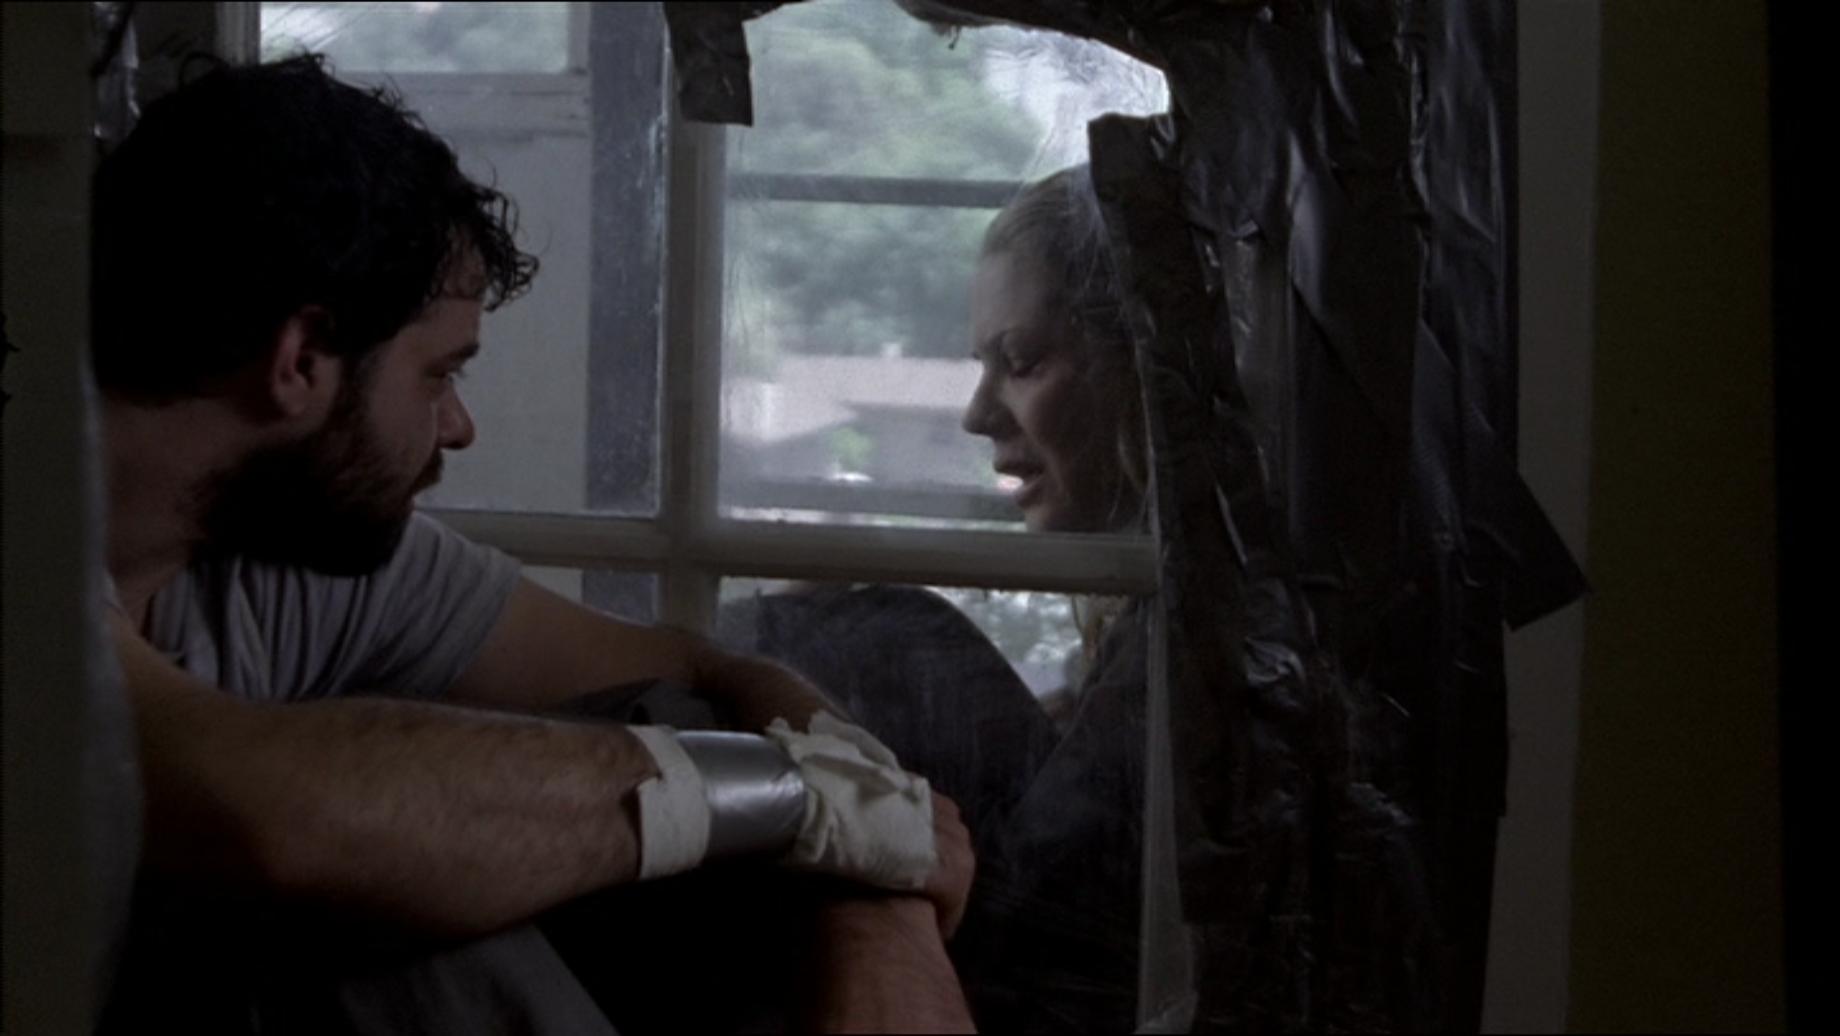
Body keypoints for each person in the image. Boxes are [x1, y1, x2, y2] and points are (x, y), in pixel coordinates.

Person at [91, 54, 976, 1035]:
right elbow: (267, 814)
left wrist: (874, 896)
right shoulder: (29, 556)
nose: (459, 426)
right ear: (301, 361)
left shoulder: (270, 549)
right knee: (375, 893)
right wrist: (808, 803)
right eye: (439, 375)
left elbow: (704, 674)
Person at [719, 165, 1153, 1032]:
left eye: (1021, 362)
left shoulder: (1187, 640)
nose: (977, 414)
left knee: (877, 632)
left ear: (1146, 366)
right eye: (983, 366)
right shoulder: (1146, 631)